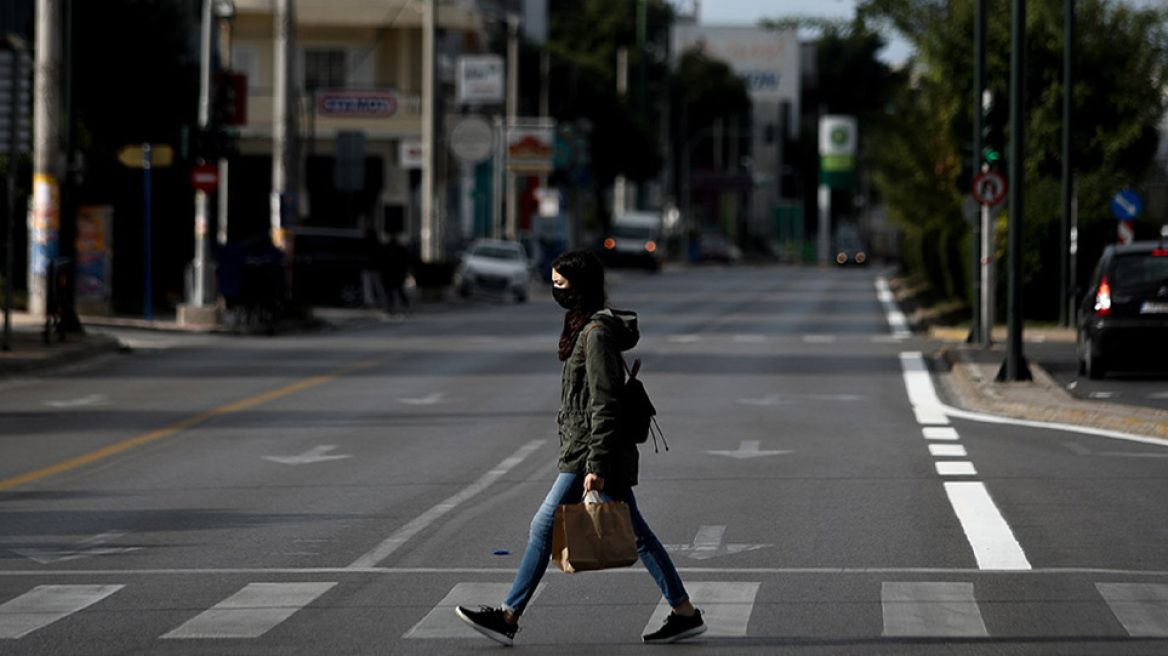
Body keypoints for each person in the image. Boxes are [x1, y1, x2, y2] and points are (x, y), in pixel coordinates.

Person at [456, 249, 706, 646]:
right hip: (587, 449)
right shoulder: (587, 327)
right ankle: (684, 611)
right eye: (553, 284)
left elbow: (605, 402)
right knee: (636, 534)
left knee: (543, 526)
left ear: (581, 286)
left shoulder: (596, 335)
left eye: (561, 285)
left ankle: (508, 616)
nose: (556, 291)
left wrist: (597, 463)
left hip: (590, 452)